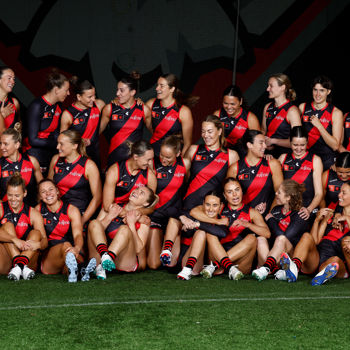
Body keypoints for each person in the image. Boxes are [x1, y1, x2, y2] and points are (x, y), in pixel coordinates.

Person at [159, 115, 239, 266]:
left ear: (219, 131)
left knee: (189, 264)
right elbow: (183, 178)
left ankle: (191, 264)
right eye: (203, 132)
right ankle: (167, 250)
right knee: (170, 265)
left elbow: (229, 187)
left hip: (207, 211)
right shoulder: (194, 150)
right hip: (187, 207)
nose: (205, 135)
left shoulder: (231, 155)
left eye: (209, 131)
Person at [191, 178, 270, 279]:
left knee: (252, 238)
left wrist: (247, 224)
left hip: (241, 264)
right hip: (217, 255)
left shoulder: (252, 212)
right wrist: (217, 221)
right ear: (224, 195)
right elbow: (194, 212)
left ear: (242, 191)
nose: (235, 195)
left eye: (237, 190)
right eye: (230, 192)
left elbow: (267, 233)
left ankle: (215, 265)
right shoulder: (218, 207)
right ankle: (221, 265)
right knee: (210, 233)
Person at [279, 182, 350, 285]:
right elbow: (315, 240)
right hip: (316, 258)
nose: (339, 195)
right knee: (307, 236)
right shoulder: (333, 212)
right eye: (339, 192)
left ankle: (322, 276)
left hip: (335, 261)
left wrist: (347, 218)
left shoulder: (343, 217)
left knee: (335, 261)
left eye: (343, 193)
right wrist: (317, 220)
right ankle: (294, 268)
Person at [87, 186, 157, 279]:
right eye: (137, 189)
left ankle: (107, 259)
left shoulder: (144, 220)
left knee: (124, 229)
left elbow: (138, 249)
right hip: (100, 255)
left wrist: (131, 224)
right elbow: (94, 230)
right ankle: (104, 259)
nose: (136, 192)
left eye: (141, 193)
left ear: (146, 203)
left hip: (124, 262)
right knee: (94, 223)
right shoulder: (113, 207)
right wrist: (110, 216)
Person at [36, 179, 95, 282]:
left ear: (57, 191)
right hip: (49, 259)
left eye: (51, 189)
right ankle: (82, 269)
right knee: (66, 246)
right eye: (43, 192)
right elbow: (41, 240)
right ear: (40, 196)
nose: (48, 194)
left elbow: (78, 235)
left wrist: (77, 248)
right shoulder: (37, 211)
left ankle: (76, 272)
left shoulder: (71, 210)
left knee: (70, 254)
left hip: (70, 253)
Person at [146, 136, 190, 269]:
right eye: (161, 155)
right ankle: (164, 244)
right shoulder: (152, 164)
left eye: (168, 157)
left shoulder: (185, 164)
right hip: (156, 215)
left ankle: (167, 248)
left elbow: (186, 185)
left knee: (171, 264)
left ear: (178, 154)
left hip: (174, 217)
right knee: (154, 265)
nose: (164, 159)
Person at [252, 179, 309, 281]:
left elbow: (284, 235)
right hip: (275, 254)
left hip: (290, 256)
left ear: (288, 197)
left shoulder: (299, 214)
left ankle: (266, 268)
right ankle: (273, 270)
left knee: (281, 238)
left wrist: (271, 220)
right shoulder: (276, 210)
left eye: (279, 192)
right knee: (260, 239)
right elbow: (269, 233)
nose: (276, 194)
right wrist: (261, 215)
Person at [48, 129, 102, 226]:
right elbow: (47, 188)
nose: (57, 147)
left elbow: (97, 198)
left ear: (74, 146)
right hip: (57, 213)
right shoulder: (55, 160)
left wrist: (82, 221)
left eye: (61, 144)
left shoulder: (89, 165)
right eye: (57, 143)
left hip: (78, 213)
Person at [0, 174, 46, 280]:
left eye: (17, 195)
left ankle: (19, 266)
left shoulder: (33, 213)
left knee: (36, 233)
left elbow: (45, 241)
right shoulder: (1, 208)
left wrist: (39, 244)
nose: (13, 199)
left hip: (28, 260)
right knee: (7, 226)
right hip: (5, 262)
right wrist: (14, 239)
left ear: (24, 193)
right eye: (10, 195)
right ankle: (20, 266)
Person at [100, 73, 152, 167]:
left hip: (136, 164)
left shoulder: (144, 110)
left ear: (132, 92)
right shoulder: (110, 109)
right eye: (117, 90)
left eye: (121, 90)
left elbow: (157, 134)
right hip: (114, 162)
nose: (117, 93)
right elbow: (95, 133)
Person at [24, 70, 70, 176]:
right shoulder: (37, 106)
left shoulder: (59, 107)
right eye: (66, 90)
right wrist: (60, 144)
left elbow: (57, 133)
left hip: (51, 154)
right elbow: (32, 140)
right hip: (35, 156)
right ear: (56, 90)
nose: (68, 93)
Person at [227, 129, 283, 216]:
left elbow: (280, 194)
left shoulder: (272, 164)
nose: (265, 146)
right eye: (261, 143)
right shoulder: (235, 168)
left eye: (265, 142)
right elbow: (230, 197)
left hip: (268, 217)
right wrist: (248, 215)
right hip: (243, 218)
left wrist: (270, 214)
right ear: (249, 145)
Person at [145, 73, 197, 156]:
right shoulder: (151, 104)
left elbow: (187, 143)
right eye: (157, 85)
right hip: (153, 154)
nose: (157, 88)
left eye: (161, 86)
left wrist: (180, 164)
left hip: (172, 158)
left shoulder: (183, 111)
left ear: (172, 89)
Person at [279, 126, 323, 222]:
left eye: (302, 145)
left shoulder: (315, 160)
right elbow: (278, 188)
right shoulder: (283, 158)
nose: (299, 149)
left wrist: (309, 209)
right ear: (290, 143)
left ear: (307, 142)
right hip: (287, 207)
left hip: (307, 207)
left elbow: (319, 193)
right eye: (295, 145)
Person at [300, 75, 343, 170]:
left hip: (327, 161)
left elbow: (335, 146)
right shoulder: (303, 107)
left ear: (328, 92)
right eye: (315, 90)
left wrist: (319, 126)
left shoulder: (335, 113)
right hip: (306, 159)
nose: (317, 94)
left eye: (322, 90)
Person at [60, 77, 105, 167]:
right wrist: (79, 141)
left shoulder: (99, 105)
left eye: (94, 95)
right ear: (79, 97)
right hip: (76, 159)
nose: (93, 99)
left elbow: (115, 111)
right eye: (89, 97)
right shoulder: (68, 114)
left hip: (95, 156)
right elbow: (62, 140)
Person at [102, 140, 157, 211]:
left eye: (151, 159)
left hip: (134, 214)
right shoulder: (115, 171)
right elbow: (107, 206)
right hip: (113, 213)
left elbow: (150, 207)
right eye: (148, 159)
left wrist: (136, 214)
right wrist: (126, 214)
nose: (150, 163)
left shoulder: (150, 176)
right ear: (136, 157)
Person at [213, 84, 260, 157]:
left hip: (243, 158)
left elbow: (257, 144)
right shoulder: (217, 114)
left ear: (240, 101)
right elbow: (211, 138)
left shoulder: (250, 118)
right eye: (225, 103)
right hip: (221, 156)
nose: (229, 107)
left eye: (232, 104)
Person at [0, 128, 43, 207]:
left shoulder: (32, 161)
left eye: (5, 144)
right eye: (1, 144)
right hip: (8, 212)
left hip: (30, 210)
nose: (2, 147)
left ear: (17, 145)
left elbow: (42, 187)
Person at [262, 73, 301, 158]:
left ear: (282, 88)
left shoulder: (292, 111)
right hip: (268, 155)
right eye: (268, 86)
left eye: (271, 86)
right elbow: (263, 132)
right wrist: (263, 142)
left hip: (286, 158)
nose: (267, 89)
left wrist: (273, 141)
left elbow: (298, 142)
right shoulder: (267, 107)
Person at [0, 66, 20, 132]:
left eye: (13, 79)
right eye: (9, 78)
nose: (13, 82)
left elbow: (18, 124)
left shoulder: (14, 102)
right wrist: (2, 116)